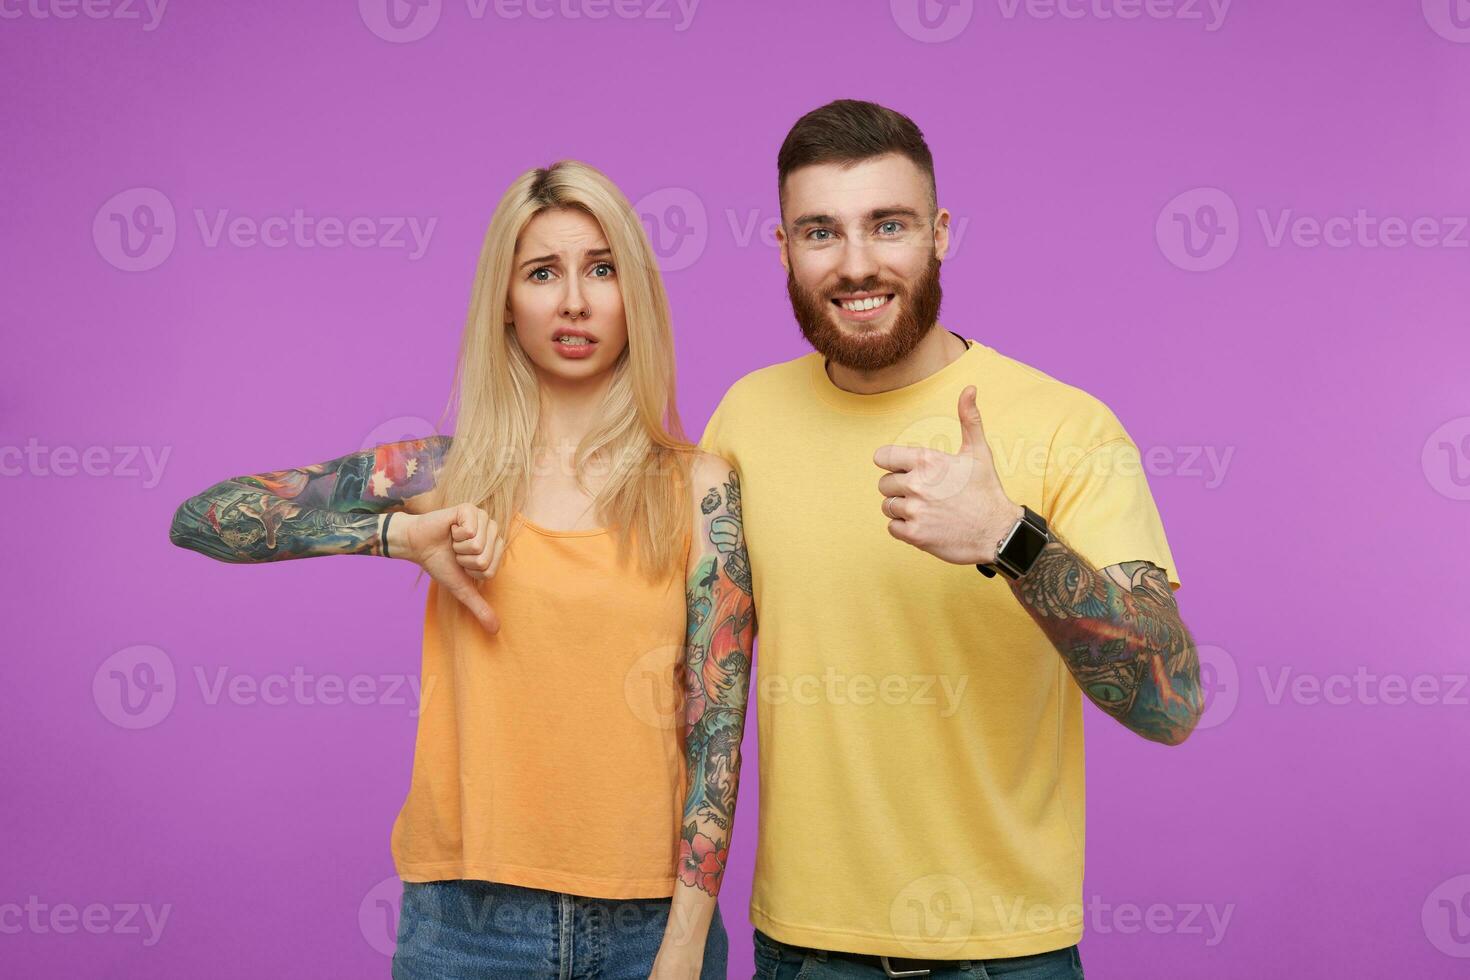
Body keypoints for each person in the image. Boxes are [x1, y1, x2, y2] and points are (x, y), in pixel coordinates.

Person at [168, 160, 753, 979]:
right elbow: (200, 519)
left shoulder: (699, 490)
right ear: (507, 306)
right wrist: (399, 538)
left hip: (650, 928)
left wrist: (686, 943)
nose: (575, 301)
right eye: (543, 273)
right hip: (466, 931)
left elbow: (717, 732)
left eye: (602, 269)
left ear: (636, 298)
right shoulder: (440, 473)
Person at [696, 100, 1204, 979]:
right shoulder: (745, 418)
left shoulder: (1068, 426)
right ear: (782, 248)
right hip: (804, 953)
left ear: (938, 234)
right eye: (821, 231)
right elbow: (706, 687)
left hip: (1006, 958)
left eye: (887, 225)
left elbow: (1171, 701)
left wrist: (1011, 538)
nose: (857, 265)